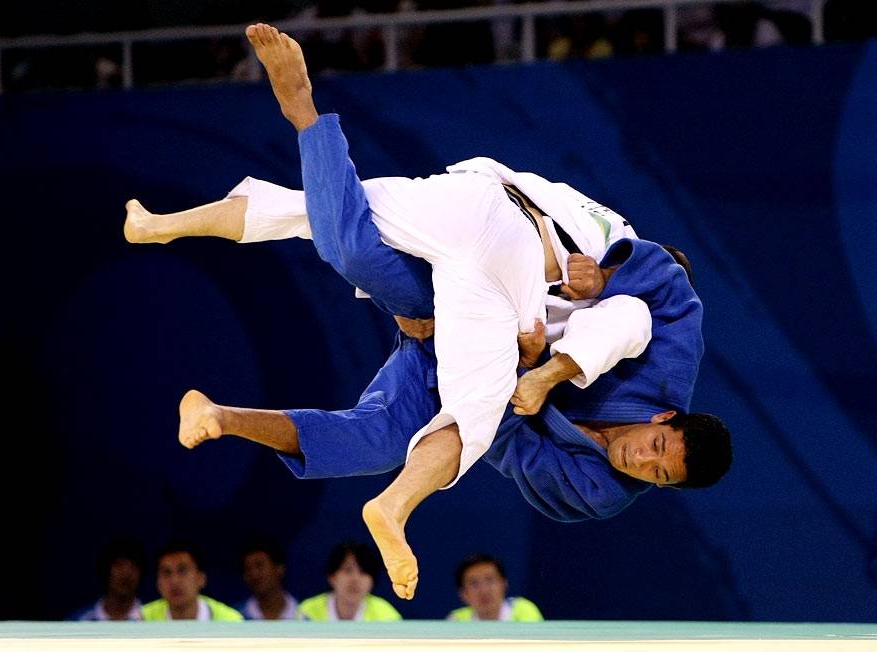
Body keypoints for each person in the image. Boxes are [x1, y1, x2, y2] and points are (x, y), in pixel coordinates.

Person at [126, 23, 731, 600]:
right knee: (492, 375)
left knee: (345, 247)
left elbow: (505, 443)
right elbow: (653, 291)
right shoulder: (651, 325)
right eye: (655, 450)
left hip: (472, 330)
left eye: (656, 477)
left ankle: (214, 392)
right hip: (500, 268)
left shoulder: (600, 490)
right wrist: (583, 305)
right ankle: (395, 506)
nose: (639, 463)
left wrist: (505, 372)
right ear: (667, 417)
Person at [298, 541, 401, 621]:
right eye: (347, 570)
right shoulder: (307, 612)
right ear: (332, 576)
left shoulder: (387, 616)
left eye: (363, 572)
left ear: (372, 580)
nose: (355, 578)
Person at [142, 541, 243, 621]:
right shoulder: (142, 619)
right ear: (157, 582)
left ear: (201, 578)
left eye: (182, 571)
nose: (174, 581)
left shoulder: (230, 620)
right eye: (166, 573)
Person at [447, 554, 542, 622]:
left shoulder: (525, 610)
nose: (484, 590)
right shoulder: (456, 620)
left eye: (490, 580)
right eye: (474, 583)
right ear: (463, 594)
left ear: (504, 584)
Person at [72, 537, 145, 621]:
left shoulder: (151, 619)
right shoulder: (81, 620)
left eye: (133, 566)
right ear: (105, 570)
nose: (126, 574)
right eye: (119, 565)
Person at [237, 536, 299, 620]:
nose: (254, 574)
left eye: (259, 566)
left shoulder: (304, 615)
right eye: (248, 569)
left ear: (279, 568)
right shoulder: (236, 617)